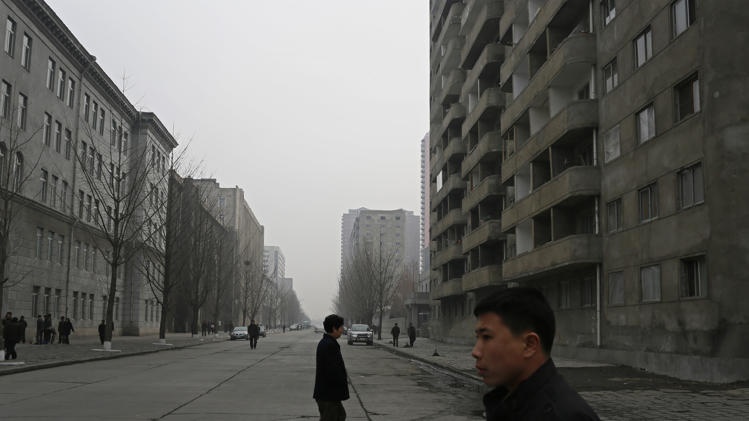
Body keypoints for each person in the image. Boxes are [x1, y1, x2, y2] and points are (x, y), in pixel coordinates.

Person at [471, 287, 600, 420]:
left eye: (486, 337)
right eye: (477, 338)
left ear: (529, 345)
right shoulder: (506, 402)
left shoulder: (565, 416)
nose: (475, 352)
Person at [313, 314, 349, 421]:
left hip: (328, 394)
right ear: (334, 328)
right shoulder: (329, 345)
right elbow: (333, 371)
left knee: (340, 415)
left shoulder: (327, 342)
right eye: (341, 327)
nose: (342, 330)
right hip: (328, 395)